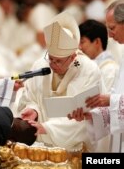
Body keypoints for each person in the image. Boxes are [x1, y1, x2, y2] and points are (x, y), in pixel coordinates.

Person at [15, 11, 107, 152]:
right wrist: (34, 110)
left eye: (58, 61)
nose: (52, 64)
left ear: (72, 57)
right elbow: (30, 97)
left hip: (73, 147)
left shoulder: (88, 70)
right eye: (51, 58)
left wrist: (48, 128)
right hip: (40, 143)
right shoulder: (41, 65)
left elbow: (83, 116)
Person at [68, 0, 124, 152]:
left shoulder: (110, 67)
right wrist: (92, 116)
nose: (111, 36)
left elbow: (115, 100)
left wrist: (109, 100)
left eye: (112, 28)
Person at [79, 19, 119, 92]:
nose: (79, 47)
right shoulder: (85, 66)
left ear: (97, 42)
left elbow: (106, 100)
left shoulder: (110, 70)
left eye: (82, 42)